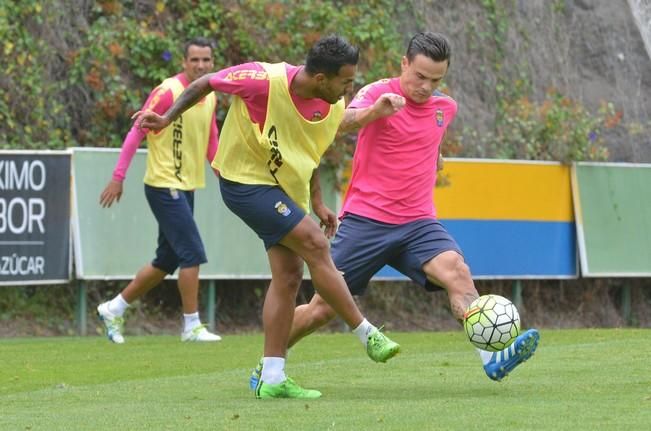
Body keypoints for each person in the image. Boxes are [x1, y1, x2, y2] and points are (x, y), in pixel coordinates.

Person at [260, 31, 540, 384]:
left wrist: (433, 157)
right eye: (419, 76)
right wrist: (375, 113)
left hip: (419, 223)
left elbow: (425, 142)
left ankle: (492, 356)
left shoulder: (445, 108)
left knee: (457, 272)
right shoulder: (378, 93)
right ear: (404, 63)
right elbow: (334, 123)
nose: (426, 86)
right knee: (322, 309)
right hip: (366, 221)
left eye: (435, 80)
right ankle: (270, 361)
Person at [135, 34, 401, 400]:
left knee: (289, 276)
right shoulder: (263, 79)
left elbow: (310, 153)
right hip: (244, 182)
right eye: (346, 81)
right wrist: (165, 118)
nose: (349, 89)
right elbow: (204, 83)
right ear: (321, 79)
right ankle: (366, 332)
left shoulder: (330, 107)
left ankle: (272, 376)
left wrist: (318, 202)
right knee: (314, 244)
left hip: (283, 192)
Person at [97, 37, 222, 344]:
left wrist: (226, 176)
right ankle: (191, 326)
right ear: (184, 62)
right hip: (164, 185)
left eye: (206, 60)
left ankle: (113, 308)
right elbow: (136, 132)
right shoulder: (168, 91)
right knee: (192, 252)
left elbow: (211, 142)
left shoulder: (210, 96)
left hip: (187, 186)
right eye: (195, 60)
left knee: (166, 261)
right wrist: (118, 177)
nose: (201, 65)